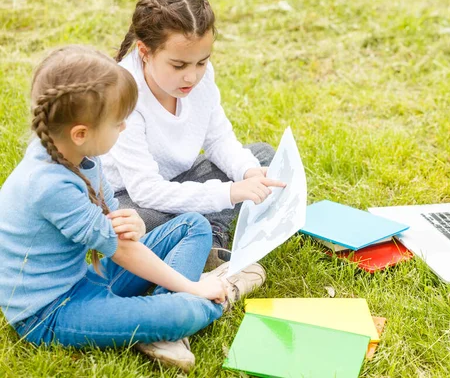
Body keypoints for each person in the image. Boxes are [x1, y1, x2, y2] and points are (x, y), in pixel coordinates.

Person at [0, 45, 265, 373]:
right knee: (186, 310)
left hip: (87, 279)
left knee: (193, 225)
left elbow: (120, 225)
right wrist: (194, 287)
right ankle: (211, 294)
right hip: (54, 310)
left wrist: (135, 223)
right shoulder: (49, 184)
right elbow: (123, 251)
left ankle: (156, 321)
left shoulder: (79, 155)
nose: (123, 128)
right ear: (81, 133)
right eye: (118, 123)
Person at [102, 0, 285, 267]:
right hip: (129, 198)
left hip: (177, 179)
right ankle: (195, 234)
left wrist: (248, 173)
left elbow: (218, 140)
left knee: (261, 158)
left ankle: (205, 236)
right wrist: (230, 193)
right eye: (178, 66)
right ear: (144, 52)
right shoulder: (124, 93)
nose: (192, 77)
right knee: (131, 222)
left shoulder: (200, 77)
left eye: (202, 62)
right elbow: (145, 190)